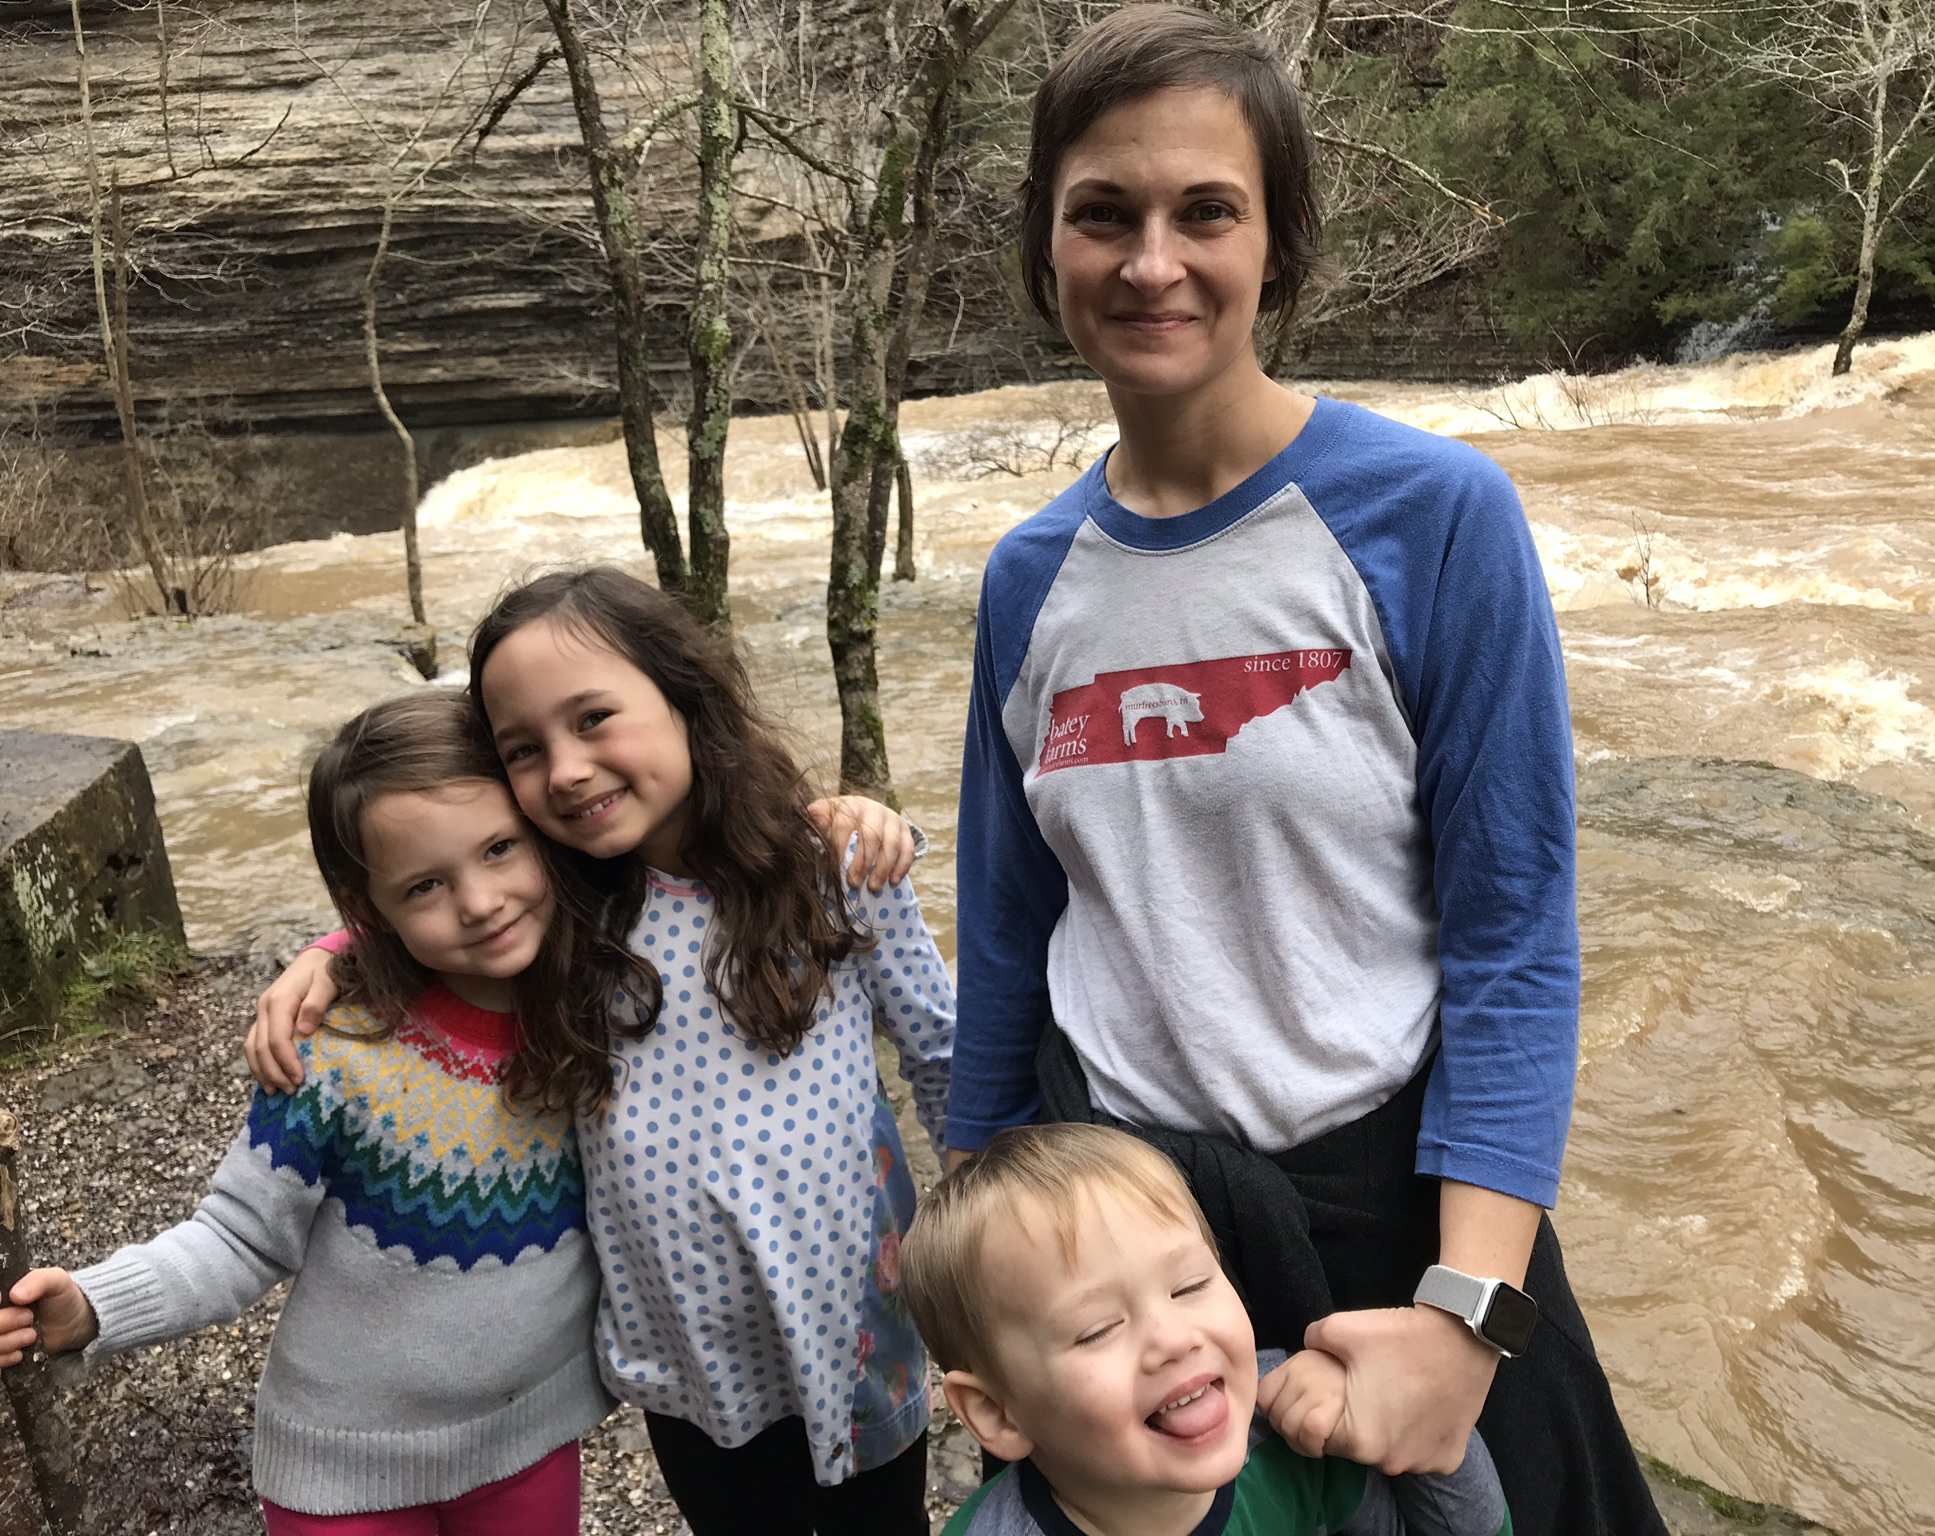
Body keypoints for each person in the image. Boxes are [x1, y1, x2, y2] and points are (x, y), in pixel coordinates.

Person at [948, 9, 1666, 1534]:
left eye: (1207, 211)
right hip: (1129, 1248)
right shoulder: (1027, 579)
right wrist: (966, 1251)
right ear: (1046, 244)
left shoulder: (1435, 517)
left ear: (1278, 245)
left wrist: (1470, 1318)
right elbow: (1011, 936)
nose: (1153, 262)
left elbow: (1513, 939)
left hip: (1397, 1218)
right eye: (1104, 213)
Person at [245, 567, 952, 1536]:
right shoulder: (569, 916)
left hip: (859, 1334)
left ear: (683, 695)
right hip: (692, 1375)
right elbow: (444, 894)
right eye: (524, 751)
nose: (568, 769)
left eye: (593, 719)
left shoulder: (832, 869)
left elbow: (942, 1056)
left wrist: (993, 1264)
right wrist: (333, 954)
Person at [0, 691, 634, 1534]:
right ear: (369, 908)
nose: (481, 902)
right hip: (343, 1470)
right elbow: (238, 1239)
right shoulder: (335, 1051)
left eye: (499, 848)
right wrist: (93, 1306)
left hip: (532, 1440)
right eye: (425, 885)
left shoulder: (614, 1001)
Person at [900, 1123, 1511, 1536]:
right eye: (1097, 1329)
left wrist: (1402, 1411)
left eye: (1191, 1285)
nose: (1174, 1338)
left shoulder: (1297, 1436)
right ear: (996, 1412)